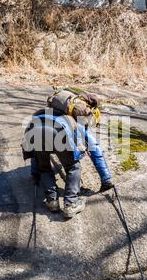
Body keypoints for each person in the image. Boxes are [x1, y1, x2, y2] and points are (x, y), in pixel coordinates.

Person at [21, 90, 114, 218]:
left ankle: (52, 201)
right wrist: (106, 179)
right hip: (58, 132)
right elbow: (94, 148)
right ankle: (70, 204)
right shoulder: (78, 121)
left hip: (34, 129)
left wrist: (35, 174)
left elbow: (36, 158)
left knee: (44, 167)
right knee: (73, 167)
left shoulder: (48, 111)